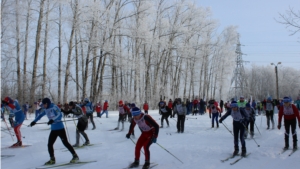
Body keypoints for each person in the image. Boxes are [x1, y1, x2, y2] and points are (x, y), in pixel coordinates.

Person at [29, 98, 79, 165]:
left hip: (60, 128)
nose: (44, 106)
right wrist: (34, 121)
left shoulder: (54, 107)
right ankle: (52, 159)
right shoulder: (46, 109)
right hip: (53, 129)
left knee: (65, 143)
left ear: (47, 103)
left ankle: (75, 156)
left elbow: (59, 115)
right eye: (43, 105)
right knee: (50, 144)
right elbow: (40, 115)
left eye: (44, 104)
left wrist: (52, 120)